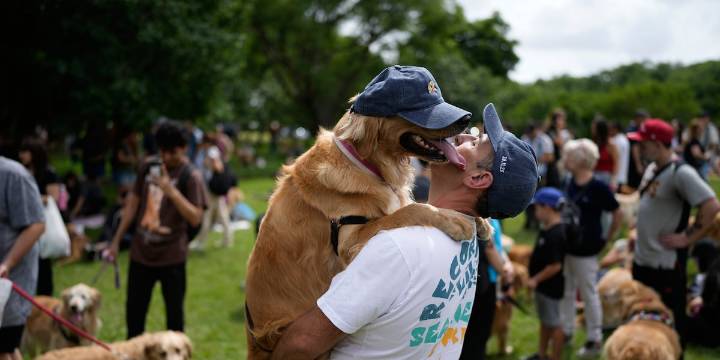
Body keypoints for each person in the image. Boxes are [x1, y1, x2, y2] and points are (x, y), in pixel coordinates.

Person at [271, 100, 539, 359]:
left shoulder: (400, 247)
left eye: (477, 141)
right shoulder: (468, 237)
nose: (464, 135)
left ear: (478, 178)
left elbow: (301, 345)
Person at [104, 120, 207, 339]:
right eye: (161, 150)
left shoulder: (191, 176)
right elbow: (132, 204)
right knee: (134, 319)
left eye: (171, 151)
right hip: (141, 254)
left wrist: (171, 192)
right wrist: (115, 241)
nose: (165, 156)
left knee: (174, 322)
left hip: (172, 258)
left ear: (183, 148)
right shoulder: (148, 167)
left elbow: (196, 218)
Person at [627, 119, 720, 349]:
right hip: (643, 261)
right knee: (644, 323)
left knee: (669, 327)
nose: (640, 148)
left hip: (665, 266)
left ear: (658, 144)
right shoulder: (652, 168)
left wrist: (688, 237)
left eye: (644, 143)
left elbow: (710, 205)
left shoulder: (682, 172)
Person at [559, 138, 621, 357]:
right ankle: (566, 330)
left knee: (588, 293)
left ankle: (594, 338)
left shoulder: (598, 187)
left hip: (587, 249)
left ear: (580, 160)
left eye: (568, 156)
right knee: (566, 291)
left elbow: (617, 212)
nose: (564, 160)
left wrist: (607, 239)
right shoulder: (568, 182)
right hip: (567, 246)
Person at [0, 156, 46, 360]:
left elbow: (36, 225)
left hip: (10, 278)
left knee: (5, 347)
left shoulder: (13, 175)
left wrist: (7, 263)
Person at [460, 217, 513, 359]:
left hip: (467, 283)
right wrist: (505, 273)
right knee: (477, 336)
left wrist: (505, 263)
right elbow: (490, 249)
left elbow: (497, 247)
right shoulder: (483, 219)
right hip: (482, 285)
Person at [526, 187, 566, 360]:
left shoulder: (556, 234)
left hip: (551, 288)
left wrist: (535, 279)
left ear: (547, 207)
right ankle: (542, 354)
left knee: (555, 324)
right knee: (546, 321)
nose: (535, 211)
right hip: (544, 287)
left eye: (537, 207)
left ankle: (554, 357)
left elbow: (555, 265)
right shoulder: (547, 229)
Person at [18, 137, 61, 296]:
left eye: (25, 151)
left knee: (43, 263)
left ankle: (45, 297)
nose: (21, 155)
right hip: (24, 222)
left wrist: (30, 197)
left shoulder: (48, 172)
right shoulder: (20, 172)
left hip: (41, 222)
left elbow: (53, 197)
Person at [545, 109, 573, 188]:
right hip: (553, 165)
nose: (563, 122)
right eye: (560, 119)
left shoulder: (565, 132)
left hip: (564, 163)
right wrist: (558, 129)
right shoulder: (550, 132)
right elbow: (560, 144)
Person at [592, 118, 619, 190]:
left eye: (594, 127)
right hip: (594, 176)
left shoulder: (611, 145)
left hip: (606, 178)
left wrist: (613, 180)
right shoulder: (594, 143)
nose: (592, 129)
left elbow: (616, 163)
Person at [609, 121, 630, 193]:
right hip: (621, 175)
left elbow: (615, 158)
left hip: (616, 176)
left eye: (610, 129)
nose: (609, 131)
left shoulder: (616, 141)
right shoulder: (623, 139)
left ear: (615, 129)